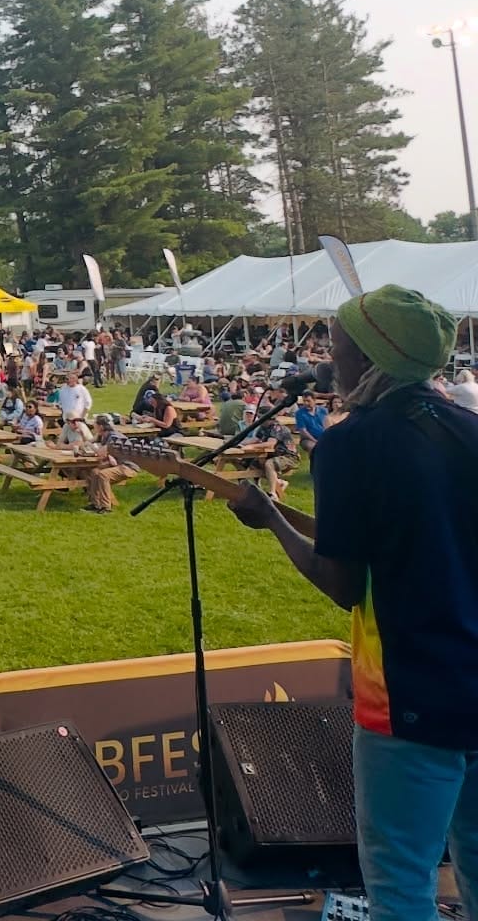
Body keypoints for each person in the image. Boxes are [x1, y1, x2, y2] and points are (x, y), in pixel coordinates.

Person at [227, 285, 477, 921]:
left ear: (368, 360)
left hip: (408, 696)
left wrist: (271, 521)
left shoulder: (350, 444)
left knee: (399, 880)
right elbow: (414, 538)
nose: (326, 357)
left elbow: (343, 582)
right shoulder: (468, 428)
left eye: (335, 345)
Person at [83, 415, 139, 515]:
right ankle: (95, 504)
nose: (93, 426)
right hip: (118, 464)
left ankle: (106, 507)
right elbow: (87, 442)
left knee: (103, 475)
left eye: (94, 424)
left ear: (100, 426)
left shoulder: (114, 437)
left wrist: (90, 445)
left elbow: (101, 453)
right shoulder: (103, 435)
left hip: (128, 466)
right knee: (94, 472)